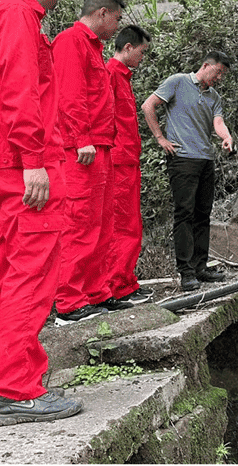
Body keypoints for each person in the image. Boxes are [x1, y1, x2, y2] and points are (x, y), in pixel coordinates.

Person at [0, 0, 82, 425]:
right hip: (21, 167)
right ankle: (18, 389)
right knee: (31, 274)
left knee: (3, 271)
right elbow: (20, 92)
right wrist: (34, 160)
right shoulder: (18, 16)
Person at [52, 0, 134, 325]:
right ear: (102, 13)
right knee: (79, 221)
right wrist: (81, 138)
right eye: (116, 19)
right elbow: (69, 93)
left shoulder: (93, 48)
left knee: (101, 223)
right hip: (80, 149)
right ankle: (69, 301)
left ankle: (97, 292)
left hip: (100, 147)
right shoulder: (71, 41)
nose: (117, 27)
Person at [141, 51, 234, 292]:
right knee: (185, 213)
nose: (220, 77)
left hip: (205, 159)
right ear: (206, 65)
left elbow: (218, 122)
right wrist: (160, 138)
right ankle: (186, 272)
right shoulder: (178, 81)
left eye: (223, 74)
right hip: (181, 158)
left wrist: (226, 137)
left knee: (203, 214)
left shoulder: (213, 95)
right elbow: (148, 105)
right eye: (218, 72)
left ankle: (200, 267)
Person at [106, 25, 154, 305]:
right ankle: (117, 285)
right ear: (127, 48)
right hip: (118, 161)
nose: (142, 57)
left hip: (127, 160)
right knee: (122, 226)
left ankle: (125, 282)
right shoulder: (111, 74)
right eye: (142, 52)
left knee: (131, 225)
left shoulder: (122, 77)